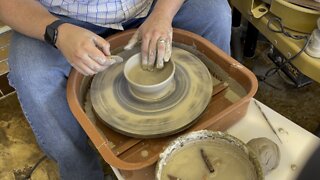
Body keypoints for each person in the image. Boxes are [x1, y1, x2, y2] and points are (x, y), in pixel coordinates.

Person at [0, 0, 231, 179]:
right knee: (29, 70)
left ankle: (215, 138)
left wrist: (163, 14)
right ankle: (81, 172)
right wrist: (57, 32)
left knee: (215, 15)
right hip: (64, 19)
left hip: (151, 6)